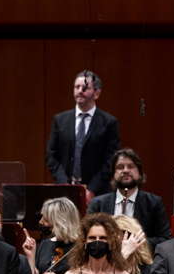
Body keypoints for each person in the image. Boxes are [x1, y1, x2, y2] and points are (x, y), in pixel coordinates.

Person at [45, 70, 120, 198]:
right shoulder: (60, 120)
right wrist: (64, 184)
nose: (80, 91)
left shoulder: (109, 122)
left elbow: (111, 160)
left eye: (85, 88)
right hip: (65, 192)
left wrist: (91, 189)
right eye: (76, 87)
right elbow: (51, 156)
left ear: (97, 93)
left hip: (98, 193)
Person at [86, 148, 171, 250]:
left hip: (142, 262)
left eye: (130, 166)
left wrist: (137, 242)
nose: (125, 170)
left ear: (140, 173)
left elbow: (165, 239)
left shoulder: (153, 203)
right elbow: (86, 236)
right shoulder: (98, 204)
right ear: (113, 175)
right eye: (120, 167)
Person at [24, 196, 81, 274]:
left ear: (59, 221)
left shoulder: (82, 247)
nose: (40, 222)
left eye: (45, 219)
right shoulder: (45, 244)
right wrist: (31, 256)